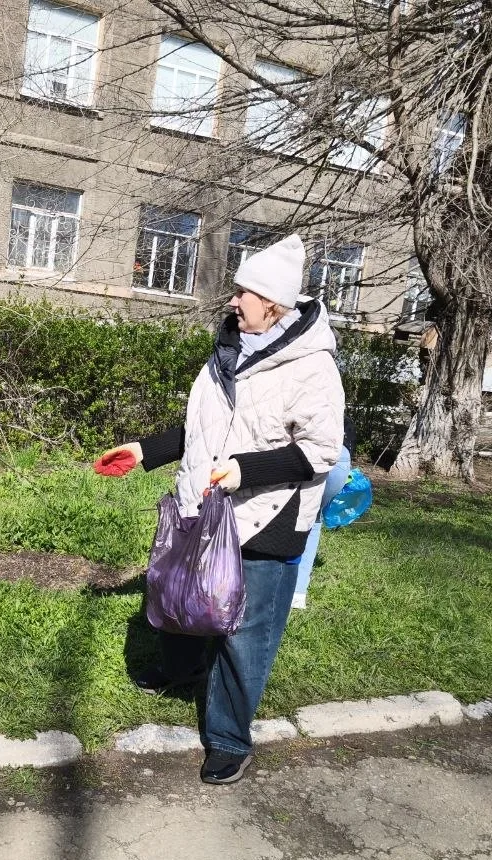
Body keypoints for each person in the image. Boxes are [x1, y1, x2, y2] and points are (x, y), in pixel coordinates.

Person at [96, 234, 344, 784]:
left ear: (272, 303)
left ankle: (229, 738)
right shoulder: (229, 350)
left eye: (242, 292)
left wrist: (244, 469)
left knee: (244, 634)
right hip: (205, 502)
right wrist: (144, 451)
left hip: (268, 516)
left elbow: (321, 451)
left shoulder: (312, 367)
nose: (232, 301)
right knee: (180, 592)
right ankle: (181, 671)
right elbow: (203, 426)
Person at [290, 415, 354, 610]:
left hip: (308, 455)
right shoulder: (338, 411)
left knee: (290, 517)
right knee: (314, 519)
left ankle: (279, 583)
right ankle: (298, 592)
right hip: (341, 459)